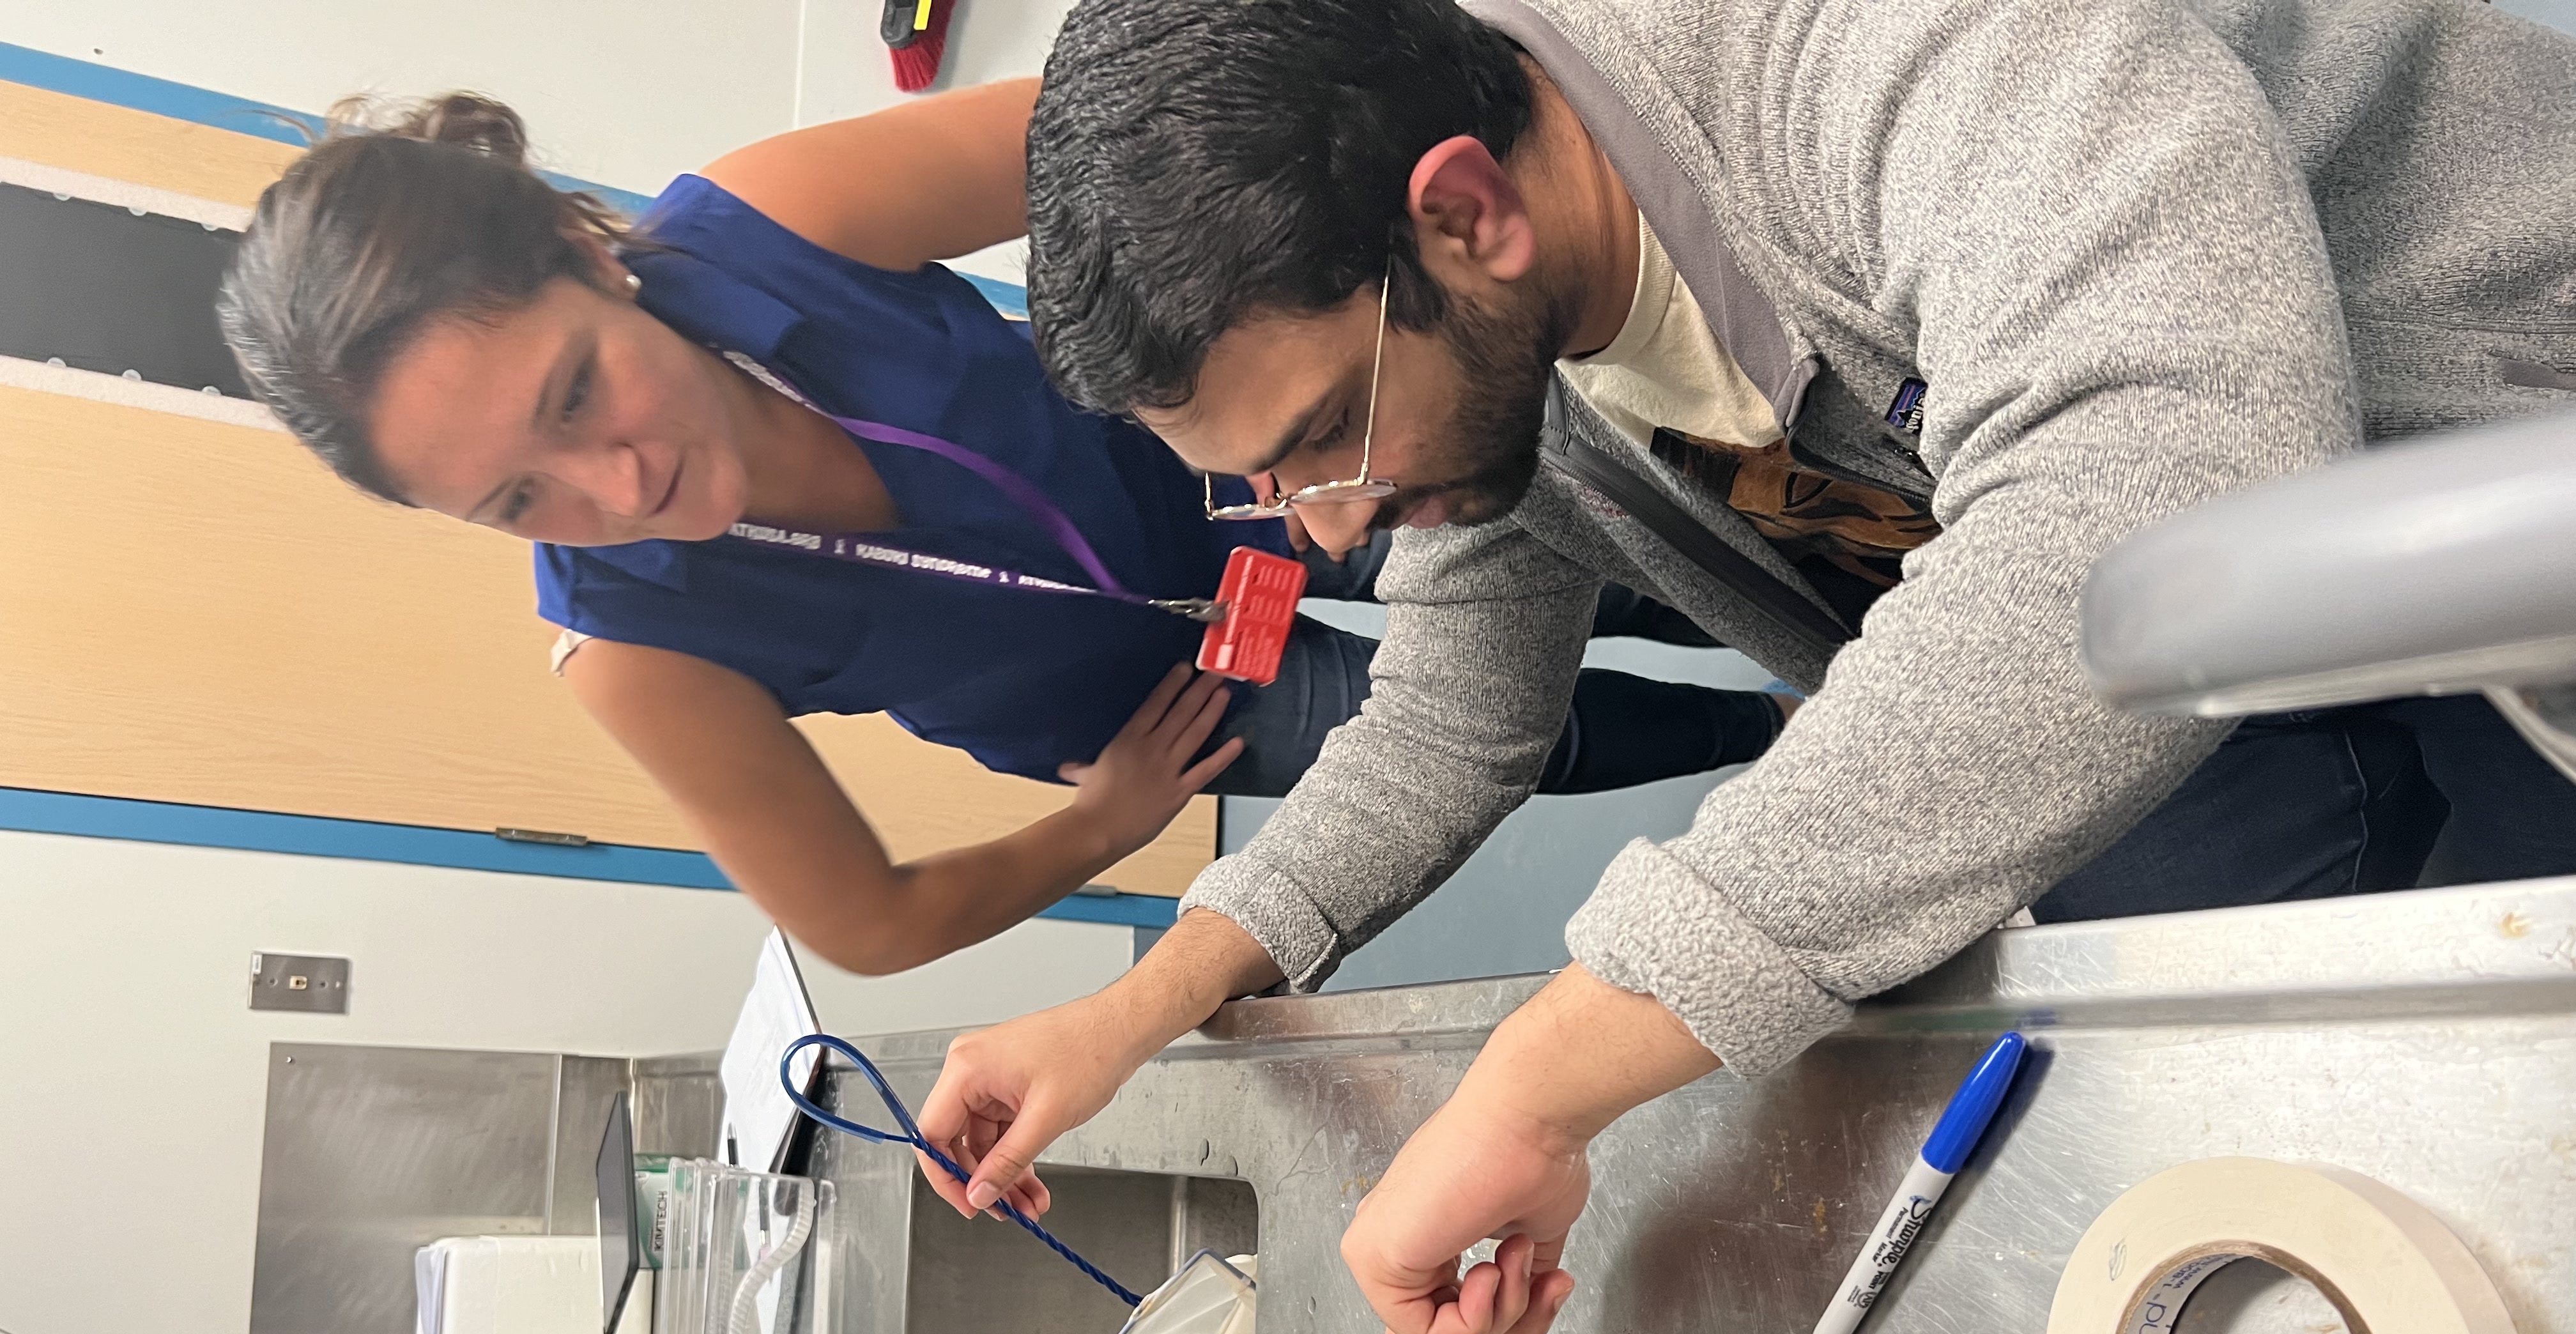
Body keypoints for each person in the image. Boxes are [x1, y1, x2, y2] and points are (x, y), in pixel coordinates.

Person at [908, 0, 2576, 1334]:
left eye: (1320, 443)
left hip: (2491, 467)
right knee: (2198, 1160)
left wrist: (1554, 1064)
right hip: (2199, 631)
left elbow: (2162, 469)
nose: (1326, 526)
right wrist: (1136, 1005)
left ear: (1464, 210)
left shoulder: (1865, 43)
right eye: (1257, 488)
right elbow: (1441, 713)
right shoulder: (1502, 339)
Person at [214, 84, 1790, 977]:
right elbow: (862, 923)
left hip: (1239, 468)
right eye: (516, 503)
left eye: (577, 391)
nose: (613, 493)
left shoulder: (765, 223)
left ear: (587, 251)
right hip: (1169, 716)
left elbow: (1143, 131)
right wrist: (1100, 828)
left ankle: (1841, 608)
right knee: (1531, 739)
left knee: (1595, 531)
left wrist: (1238, 368)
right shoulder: (632, 651)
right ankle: (1789, 729)